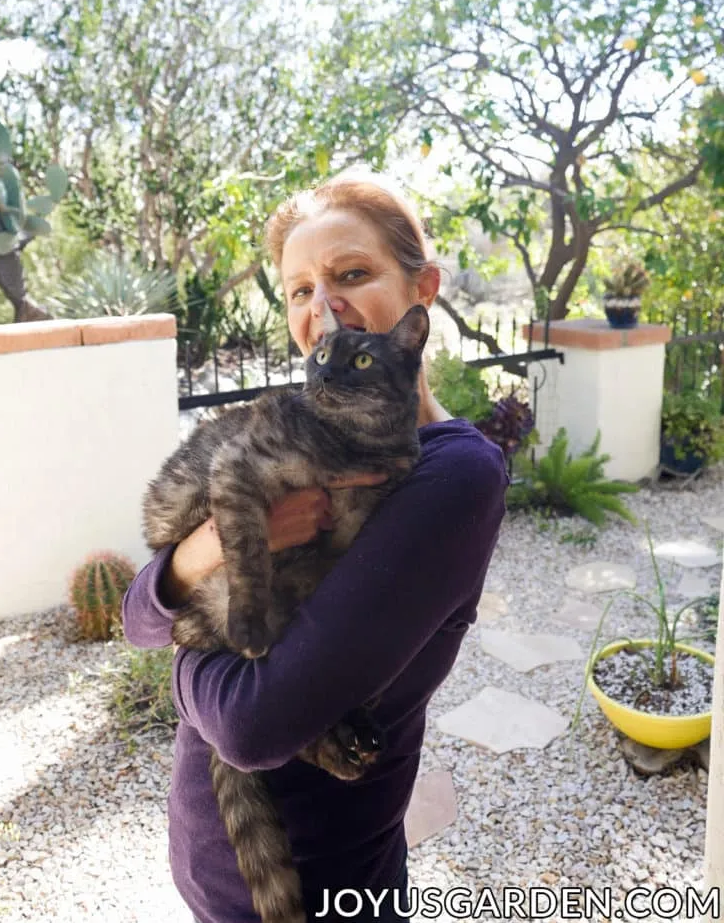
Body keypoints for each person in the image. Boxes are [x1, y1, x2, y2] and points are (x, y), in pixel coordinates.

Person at [121, 170, 509, 923]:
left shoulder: (451, 472)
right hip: (215, 864)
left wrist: (180, 674)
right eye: (299, 289)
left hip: (323, 882)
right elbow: (140, 614)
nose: (322, 309)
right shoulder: (297, 432)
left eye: (351, 274)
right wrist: (208, 551)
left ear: (421, 289)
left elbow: (250, 724)